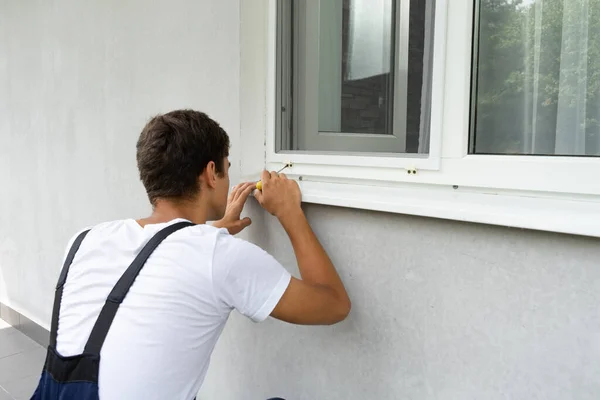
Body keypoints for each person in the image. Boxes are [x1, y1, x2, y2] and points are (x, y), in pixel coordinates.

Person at [31, 109, 351, 400]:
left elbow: (156, 262)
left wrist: (216, 229)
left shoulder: (85, 240)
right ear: (211, 173)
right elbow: (334, 304)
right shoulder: (217, 256)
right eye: (226, 168)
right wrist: (289, 213)